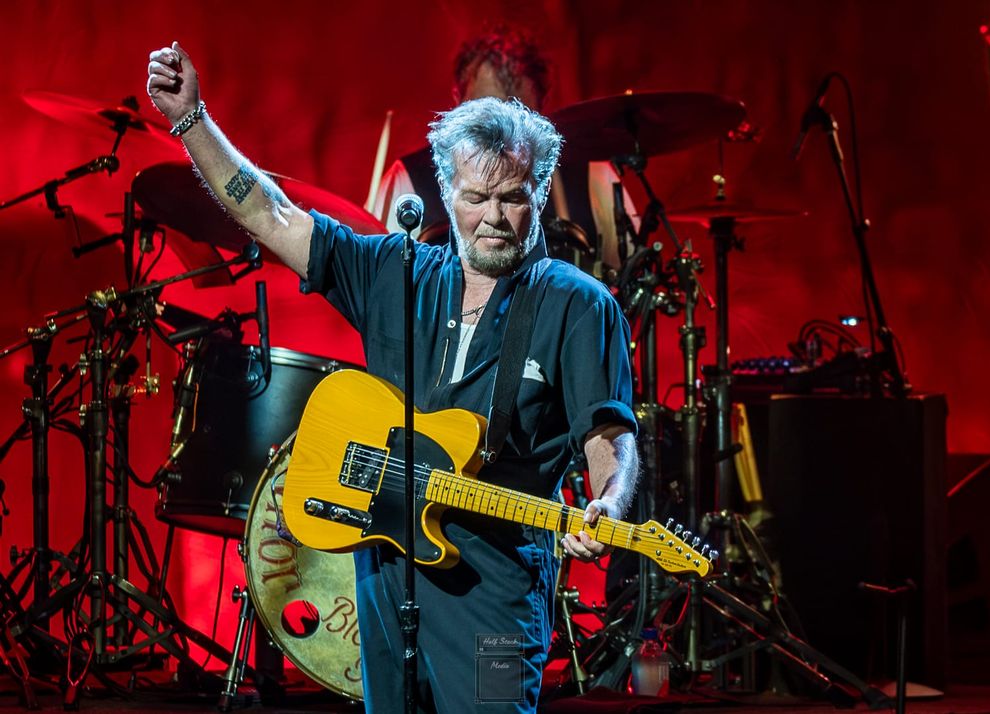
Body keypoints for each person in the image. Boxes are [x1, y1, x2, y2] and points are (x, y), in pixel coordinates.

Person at [147, 41, 639, 713]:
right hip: (385, 576)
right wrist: (191, 120)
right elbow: (267, 213)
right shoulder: (395, 272)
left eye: (513, 198)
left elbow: (608, 432)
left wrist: (608, 501)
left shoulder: (578, 305)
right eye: (476, 197)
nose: (494, 218)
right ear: (446, 193)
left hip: (497, 592)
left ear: (538, 193)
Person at [374, 24, 638, 275]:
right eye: (486, 114)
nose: (502, 135)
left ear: (542, 107)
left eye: (518, 115)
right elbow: (384, 281)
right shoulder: (408, 178)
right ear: (458, 101)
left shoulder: (593, 175)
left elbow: (629, 281)